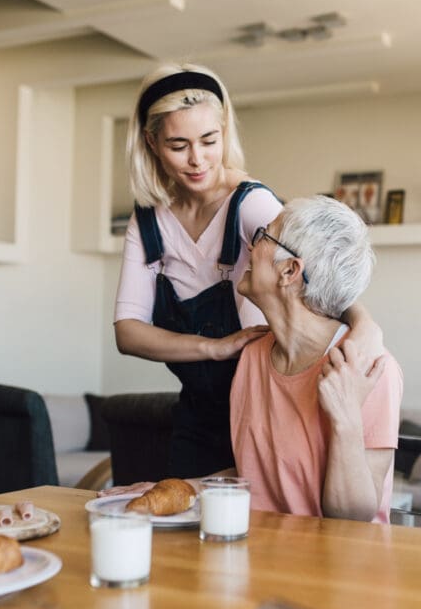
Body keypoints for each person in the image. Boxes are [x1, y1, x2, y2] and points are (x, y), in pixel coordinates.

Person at [113, 63, 383, 479]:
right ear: (151, 142)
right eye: (178, 145)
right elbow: (128, 332)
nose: (197, 160)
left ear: (224, 131)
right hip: (197, 416)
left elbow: (318, 276)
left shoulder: (251, 204)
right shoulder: (148, 222)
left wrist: (366, 327)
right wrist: (214, 347)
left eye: (209, 140)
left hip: (262, 403)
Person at [229, 195, 402, 522]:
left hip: (337, 566)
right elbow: (260, 482)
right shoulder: (252, 357)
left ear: (290, 270)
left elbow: (354, 519)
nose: (250, 248)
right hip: (260, 556)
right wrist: (170, 487)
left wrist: (346, 417)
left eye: (264, 236)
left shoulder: (371, 369)